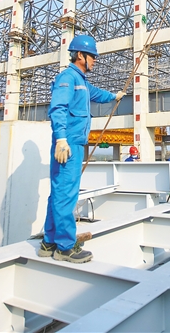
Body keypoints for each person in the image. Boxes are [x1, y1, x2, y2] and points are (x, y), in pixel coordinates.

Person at [38, 35, 125, 263]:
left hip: (72, 143)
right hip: (68, 145)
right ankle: (65, 247)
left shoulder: (82, 81)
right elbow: (58, 108)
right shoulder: (67, 78)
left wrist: (114, 96)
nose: (95, 60)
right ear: (80, 55)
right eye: (92, 56)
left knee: (59, 192)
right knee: (66, 194)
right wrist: (61, 139)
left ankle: (49, 242)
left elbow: (97, 94)